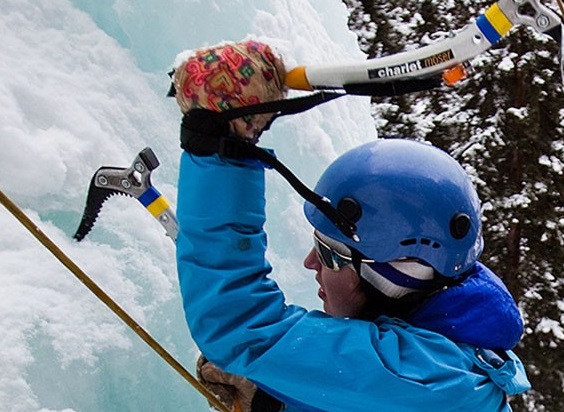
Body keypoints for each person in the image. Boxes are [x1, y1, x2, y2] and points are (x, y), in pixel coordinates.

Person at [172, 40, 530, 412]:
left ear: (394, 278)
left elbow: (239, 326)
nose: (310, 263)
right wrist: (276, 401)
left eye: (330, 253)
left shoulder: (434, 380)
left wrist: (219, 148)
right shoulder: (447, 367)